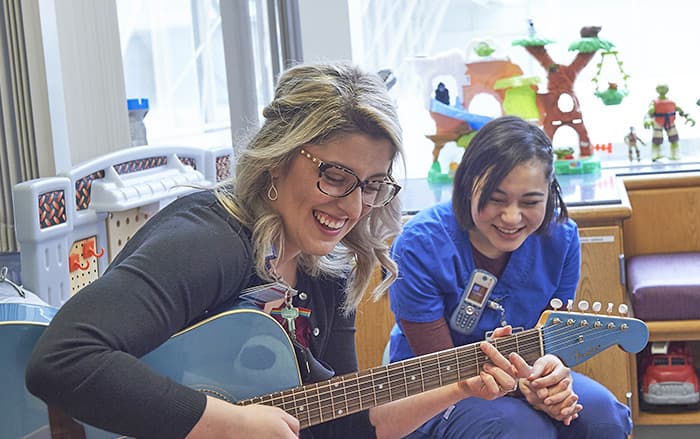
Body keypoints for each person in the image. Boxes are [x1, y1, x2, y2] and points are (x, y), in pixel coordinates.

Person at [25, 63, 527, 439]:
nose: (353, 206)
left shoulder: (327, 267)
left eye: (373, 185)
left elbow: (341, 423)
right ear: (277, 159)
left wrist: (460, 385)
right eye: (334, 175)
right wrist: (232, 424)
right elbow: (64, 360)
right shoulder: (210, 241)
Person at [388, 116, 633, 438]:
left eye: (531, 202)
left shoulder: (561, 238)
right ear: (467, 187)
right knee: (520, 430)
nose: (512, 217)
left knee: (604, 417)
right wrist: (527, 386)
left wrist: (551, 379)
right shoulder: (420, 244)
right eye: (496, 199)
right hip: (437, 384)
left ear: (549, 194)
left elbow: (553, 337)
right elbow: (443, 369)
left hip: (525, 374)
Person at [643, 84, 695, 161]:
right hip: (658, 122)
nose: (662, 90)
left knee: (674, 138)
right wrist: (647, 119)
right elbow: (648, 113)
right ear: (657, 90)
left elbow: (681, 111)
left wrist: (688, 117)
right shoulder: (654, 102)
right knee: (657, 139)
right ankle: (656, 154)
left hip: (670, 122)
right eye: (660, 88)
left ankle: (675, 153)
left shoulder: (672, 102)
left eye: (664, 88)